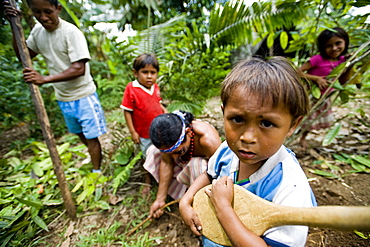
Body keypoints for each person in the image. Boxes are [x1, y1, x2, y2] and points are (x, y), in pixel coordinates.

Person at [179, 57, 317, 247]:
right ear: (224, 113)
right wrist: (186, 200)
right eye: (237, 119)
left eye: (266, 123)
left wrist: (224, 209)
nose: (248, 137)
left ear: (293, 124)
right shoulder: (227, 151)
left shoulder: (290, 187)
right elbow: (209, 174)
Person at [4, 0, 107, 173]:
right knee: (78, 132)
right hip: (63, 97)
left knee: (91, 136)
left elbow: (79, 68)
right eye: (37, 12)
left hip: (83, 95)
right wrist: (15, 27)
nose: (43, 17)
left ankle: (97, 172)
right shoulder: (38, 32)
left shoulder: (71, 33)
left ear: (58, 9)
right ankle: (92, 155)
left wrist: (44, 79)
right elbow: (25, 55)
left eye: (48, 12)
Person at [145, 110, 221, 218]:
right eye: (170, 154)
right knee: (153, 151)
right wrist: (160, 199)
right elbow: (167, 162)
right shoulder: (167, 140)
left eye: (179, 152)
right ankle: (184, 191)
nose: (175, 158)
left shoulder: (208, 140)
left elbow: (219, 171)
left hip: (203, 172)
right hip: (185, 166)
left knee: (196, 165)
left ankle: (200, 205)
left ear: (189, 133)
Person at [120, 53, 167, 194]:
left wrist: (167, 114)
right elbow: (127, 111)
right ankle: (147, 180)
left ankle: (163, 176)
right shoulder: (131, 89)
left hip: (159, 130)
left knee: (162, 152)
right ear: (135, 73)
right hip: (144, 132)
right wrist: (133, 132)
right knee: (146, 155)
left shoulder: (155, 87)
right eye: (144, 72)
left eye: (153, 72)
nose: (149, 76)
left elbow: (158, 104)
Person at [299, 27, 351, 148]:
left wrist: (349, 65)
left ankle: (303, 138)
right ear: (323, 47)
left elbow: (343, 81)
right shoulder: (318, 59)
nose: (334, 48)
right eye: (329, 45)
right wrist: (316, 78)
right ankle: (295, 136)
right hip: (311, 94)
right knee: (304, 117)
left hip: (325, 95)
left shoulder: (342, 60)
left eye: (338, 43)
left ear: (345, 42)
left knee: (313, 119)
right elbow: (297, 72)